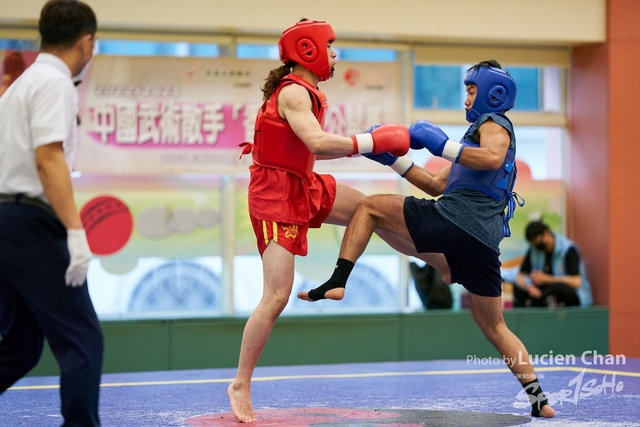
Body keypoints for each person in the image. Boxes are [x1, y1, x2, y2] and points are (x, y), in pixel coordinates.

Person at [300, 60, 555, 418]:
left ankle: (338, 280)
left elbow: (493, 157)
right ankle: (539, 400)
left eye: (472, 90)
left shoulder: (495, 125)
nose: (466, 98)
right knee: (495, 326)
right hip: (481, 242)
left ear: (493, 92)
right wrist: (393, 161)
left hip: (457, 220)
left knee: (371, 208)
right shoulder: (473, 141)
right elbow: (436, 185)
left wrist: (440, 144)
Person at [229, 19, 449, 423]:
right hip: (275, 196)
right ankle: (240, 383)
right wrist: (370, 143)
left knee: (370, 212)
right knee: (277, 296)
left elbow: (310, 149)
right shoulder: (294, 92)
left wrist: (367, 144)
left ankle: (439, 262)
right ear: (308, 50)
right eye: (329, 46)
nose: (334, 54)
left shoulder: (307, 92)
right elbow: (316, 142)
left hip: (302, 183)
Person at [0, 1, 103, 426]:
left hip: (6, 222)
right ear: (86, 42)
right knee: (83, 340)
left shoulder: (19, 86)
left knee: (21, 345)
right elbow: (48, 158)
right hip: (29, 225)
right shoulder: (54, 82)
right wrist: (75, 231)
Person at [513, 220, 593, 307]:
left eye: (539, 242)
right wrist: (529, 287)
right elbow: (519, 276)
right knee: (518, 287)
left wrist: (547, 279)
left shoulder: (568, 249)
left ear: (546, 233)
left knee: (557, 288)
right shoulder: (534, 250)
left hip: (570, 294)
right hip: (543, 291)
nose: (537, 246)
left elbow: (576, 282)